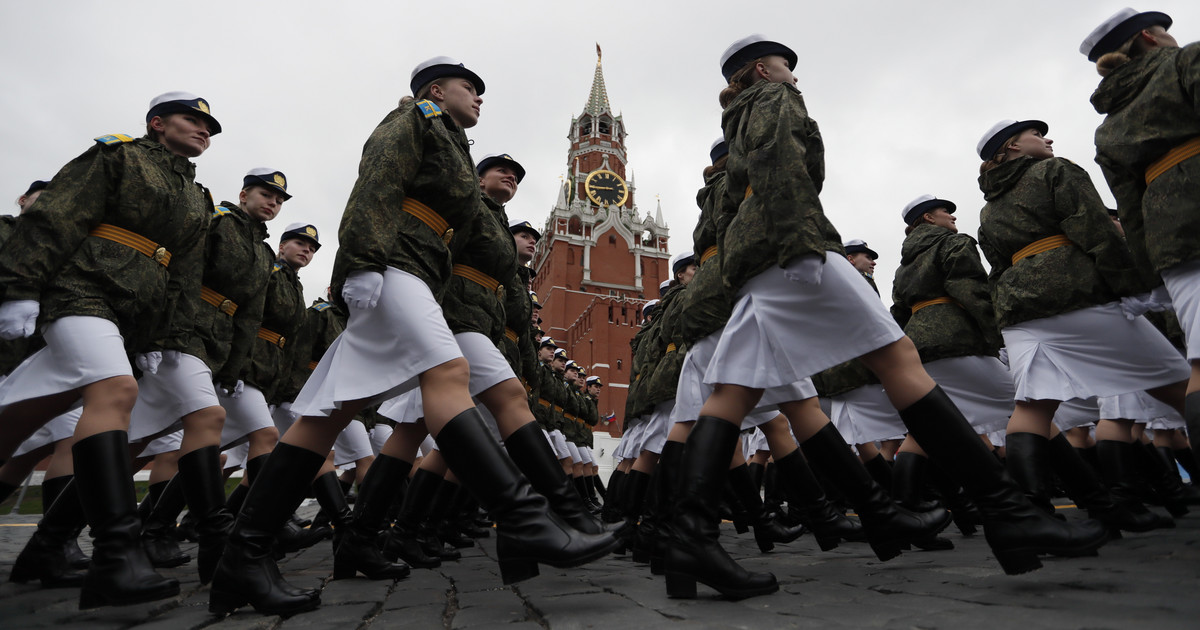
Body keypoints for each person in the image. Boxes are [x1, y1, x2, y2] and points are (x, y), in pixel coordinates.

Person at [665, 35, 1110, 600]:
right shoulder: (774, 102)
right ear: (762, 69)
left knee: (731, 393)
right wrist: (802, 245)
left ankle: (690, 539)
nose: (794, 76)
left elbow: (732, 209)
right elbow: (783, 170)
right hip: (790, 245)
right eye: (785, 66)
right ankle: (1007, 511)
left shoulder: (737, 117)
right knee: (897, 357)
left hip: (756, 258)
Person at [209, 57, 614, 617]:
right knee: (446, 377)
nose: (478, 97)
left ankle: (245, 555)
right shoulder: (413, 122)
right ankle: (527, 521)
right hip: (395, 265)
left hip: (420, 273)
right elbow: (376, 185)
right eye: (468, 87)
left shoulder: (452, 142)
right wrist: (363, 265)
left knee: (328, 415)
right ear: (434, 89)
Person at [0, 91, 218, 609]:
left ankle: (46, 554)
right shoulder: (118, 157)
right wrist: (19, 287)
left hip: (129, 315)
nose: (204, 129)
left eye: (210, 126)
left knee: (25, 417)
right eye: (193, 119)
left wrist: (160, 337)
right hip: (82, 290)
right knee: (114, 391)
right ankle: (117, 556)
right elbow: (57, 216)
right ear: (157, 122)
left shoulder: (197, 196)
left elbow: (184, 276)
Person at [975, 118, 1190, 536]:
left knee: (1033, 407)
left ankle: (1030, 516)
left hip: (1021, 309)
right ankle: (1127, 497)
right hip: (1074, 293)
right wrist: (1131, 287)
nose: (1047, 138)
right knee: (1178, 383)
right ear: (1013, 147)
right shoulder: (1056, 171)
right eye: (1036, 134)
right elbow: (1094, 230)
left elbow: (996, 266)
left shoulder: (989, 206)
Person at [1084, 8, 1200, 462]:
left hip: (1172, 240)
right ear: (1151, 39)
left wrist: (1152, 276)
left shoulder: (1107, 127)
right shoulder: (1185, 61)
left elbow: (1130, 211)